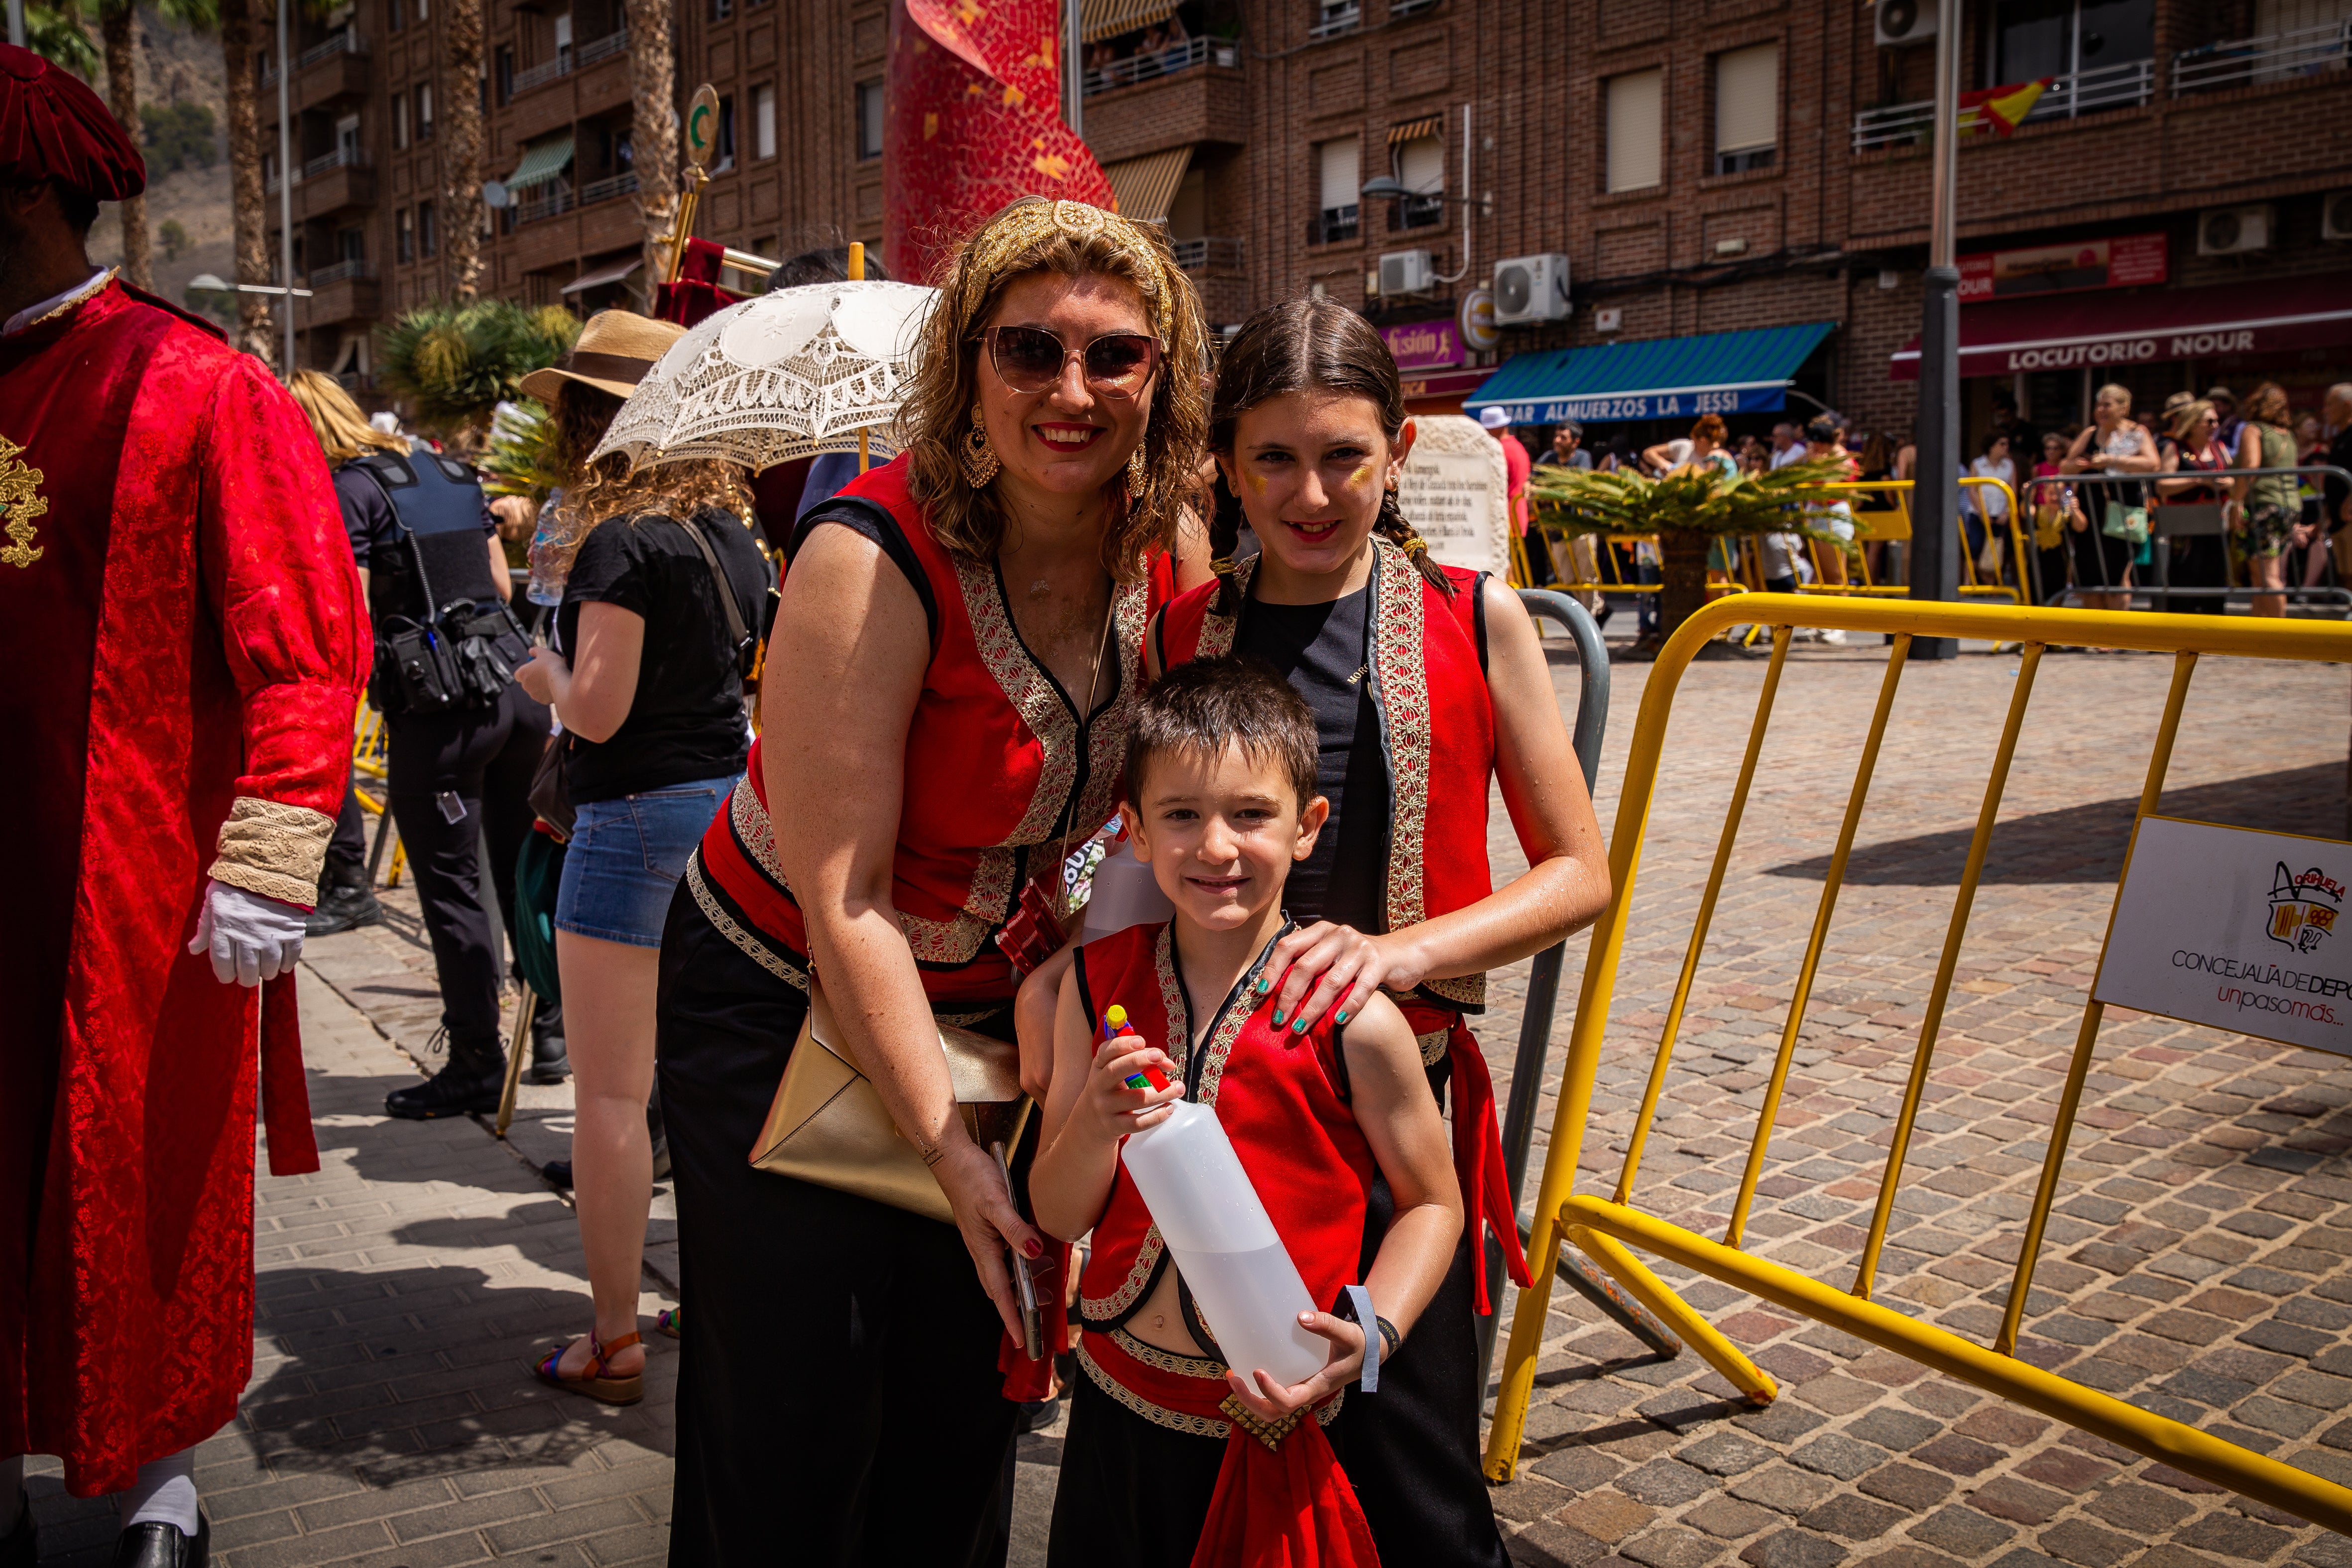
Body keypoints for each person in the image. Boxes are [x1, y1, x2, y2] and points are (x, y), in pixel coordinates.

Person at [651, 197, 1211, 1565]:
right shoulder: (866, 552)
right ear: (966, 364)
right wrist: (956, 1158)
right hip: (781, 993)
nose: (1070, 391)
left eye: (1114, 355)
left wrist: (1074, 933)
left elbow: (1140, 808)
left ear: (1163, 373)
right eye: (1027, 350)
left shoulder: (1168, 543)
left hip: (988, 1010)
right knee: (797, 1411)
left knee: (968, 1391)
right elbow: (846, 901)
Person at [1132, 297, 1613, 1568]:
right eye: (1275, 458)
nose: (1310, 490)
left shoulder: (1472, 614)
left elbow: (1579, 871)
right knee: (1224, 1450)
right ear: (1225, 466)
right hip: (1220, 1123)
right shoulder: (1185, 630)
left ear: (1396, 453)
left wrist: (1402, 952)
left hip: (1400, 1120)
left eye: (1343, 453)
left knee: (1412, 1467)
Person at [0, 44, 366, 1567]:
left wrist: (270, 862)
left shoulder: (197, 382)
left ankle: (160, 1481)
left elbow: (306, 643)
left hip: (135, 898)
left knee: (136, 1183)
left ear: (23, 192)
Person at [1033, 657, 1460, 1568]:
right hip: (1115, 1400)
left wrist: (1375, 1329)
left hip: (1272, 1417)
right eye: (1181, 814)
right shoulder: (1095, 983)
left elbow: (1433, 1202)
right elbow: (1058, 1211)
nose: (1215, 846)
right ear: (1137, 832)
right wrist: (1094, 1121)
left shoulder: (1351, 1017)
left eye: (1250, 813)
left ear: (1307, 826)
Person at [513, 321, 766, 1406]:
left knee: (613, 1096)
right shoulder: (732, 533)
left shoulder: (625, 540)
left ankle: (613, 1338)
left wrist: (546, 680)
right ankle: (722, 1310)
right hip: (728, 819)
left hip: (631, 823)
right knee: (712, 1090)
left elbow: (602, 712)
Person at [338, 361, 552, 1122]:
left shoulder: (354, 489)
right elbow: (499, 587)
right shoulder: (458, 475)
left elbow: (349, 611)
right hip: (513, 687)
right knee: (520, 866)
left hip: (440, 713)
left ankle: (474, 1060)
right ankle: (549, 1031)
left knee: (456, 889)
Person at [2061, 384, 2156, 615]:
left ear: (2124, 408)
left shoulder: (2138, 432)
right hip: (2091, 512)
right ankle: (2096, 632)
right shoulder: (2090, 433)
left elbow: (2153, 464)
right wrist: (2083, 466)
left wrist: (2112, 461)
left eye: (2107, 405)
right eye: (2098, 405)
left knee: (2119, 571)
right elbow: (2065, 466)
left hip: (2123, 510)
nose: (2101, 410)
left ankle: (2115, 631)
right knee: (2090, 572)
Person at [2155, 398, 2232, 615]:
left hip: (2216, 520)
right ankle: (2180, 626)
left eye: (2217, 421)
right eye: (2209, 422)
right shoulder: (2175, 448)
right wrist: (2198, 480)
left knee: (2215, 572)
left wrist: (2230, 483)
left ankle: (2213, 626)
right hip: (2186, 521)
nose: (2214, 427)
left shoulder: (2220, 448)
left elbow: (2234, 478)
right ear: (2193, 423)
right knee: (2186, 572)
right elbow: (2162, 485)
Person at [2234, 381, 2302, 618]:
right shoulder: (2288, 435)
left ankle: (2279, 634)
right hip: (2289, 505)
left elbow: (2251, 466)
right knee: (2262, 575)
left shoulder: (2254, 429)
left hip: (2265, 505)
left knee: (2267, 576)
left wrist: (2235, 502)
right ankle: (2261, 631)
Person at [1479, 406, 1544, 585]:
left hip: (1506, 516)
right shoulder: (1518, 447)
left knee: (1507, 567)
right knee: (1513, 563)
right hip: (1517, 513)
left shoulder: (1500, 450)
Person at [2029, 430, 2082, 605]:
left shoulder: (2066, 468)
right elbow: (2033, 492)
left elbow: (2073, 490)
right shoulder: (2038, 468)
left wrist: (2071, 505)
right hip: (2042, 513)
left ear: (2062, 450)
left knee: (2064, 557)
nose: (2051, 451)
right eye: (2048, 448)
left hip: (2062, 512)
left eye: (2055, 448)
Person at [1962, 430, 2016, 589]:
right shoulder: (1978, 464)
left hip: (2000, 513)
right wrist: (1981, 512)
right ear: (1991, 447)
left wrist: (2007, 512)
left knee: (1996, 548)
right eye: (2002, 444)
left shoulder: (2010, 465)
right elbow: (1972, 490)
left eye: (2007, 443)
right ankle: (1968, 583)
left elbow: (2012, 489)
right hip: (1979, 513)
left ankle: (1993, 586)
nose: (2006, 447)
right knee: (1975, 546)